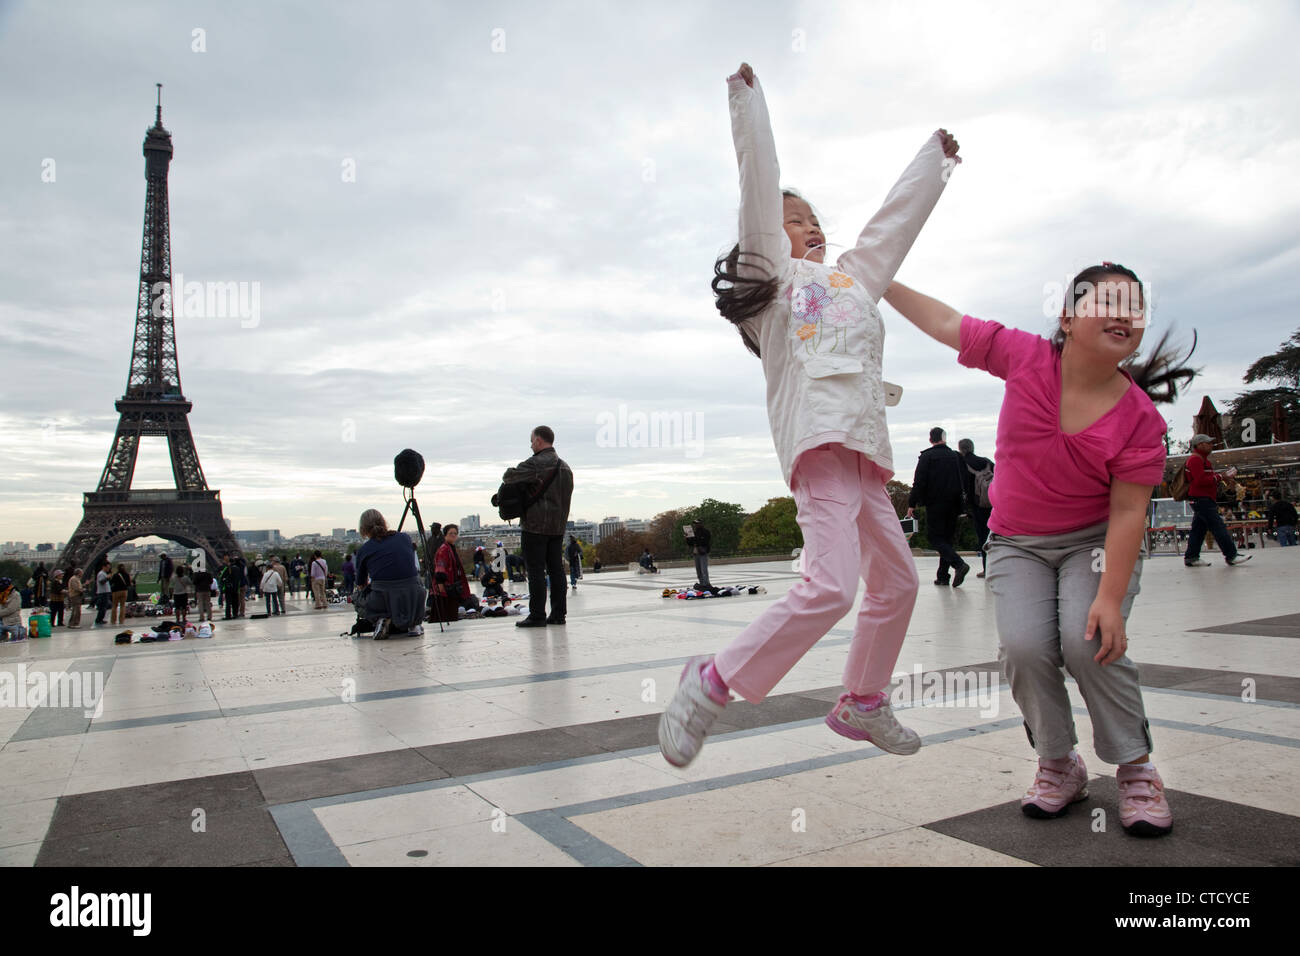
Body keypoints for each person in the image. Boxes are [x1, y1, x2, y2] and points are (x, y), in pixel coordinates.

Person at [659, 62, 960, 769]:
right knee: (831, 584)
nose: (810, 228)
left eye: (816, 220)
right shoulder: (774, 286)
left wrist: (935, 163)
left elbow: (892, 226)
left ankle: (861, 701)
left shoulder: (853, 281)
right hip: (819, 445)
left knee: (899, 581)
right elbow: (758, 186)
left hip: (862, 452)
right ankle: (712, 680)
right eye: (795, 222)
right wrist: (747, 100)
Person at [883, 260, 1197, 837]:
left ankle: (1136, 768)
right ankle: (1059, 762)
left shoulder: (1139, 419)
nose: (1125, 315)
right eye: (1109, 302)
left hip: (1093, 543)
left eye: (1135, 307)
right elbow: (946, 320)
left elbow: (1130, 512)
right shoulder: (1026, 358)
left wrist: (1109, 596)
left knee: (1090, 644)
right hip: (1017, 542)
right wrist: (880, 278)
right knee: (1025, 648)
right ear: (1068, 317)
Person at [503, 426, 575, 628]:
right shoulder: (566, 467)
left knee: (535, 570)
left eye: (532, 440)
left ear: (539, 441)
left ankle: (537, 615)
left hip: (535, 526)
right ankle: (559, 614)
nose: (531, 444)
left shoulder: (535, 463)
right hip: (557, 527)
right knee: (557, 570)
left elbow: (509, 477)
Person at [907, 428, 971, 587]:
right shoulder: (956, 456)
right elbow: (965, 480)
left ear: (931, 440)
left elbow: (919, 482)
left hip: (935, 503)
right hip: (955, 504)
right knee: (947, 539)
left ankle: (958, 564)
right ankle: (943, 576)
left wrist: (911, 504)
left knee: (935, 538)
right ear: (945, 438)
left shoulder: (927, 457)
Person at [354, 509, 426, 639]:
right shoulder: (404, 538)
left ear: (363, 528)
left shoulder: (365, 550)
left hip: (382, 598)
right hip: (413, 597)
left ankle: (380, 618)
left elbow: (360, 583)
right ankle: (414, 624)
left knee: (356, 597)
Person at [1183, 434, 1251, 567]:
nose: (1211, 445)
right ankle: (1231, 555)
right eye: (1208, 443)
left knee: (1199, 529)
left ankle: (1191, 557)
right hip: (1201, 499)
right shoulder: (1196, 460)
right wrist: (1221, 477)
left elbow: (1204, 479)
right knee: (1218, 526)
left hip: (1202, 499)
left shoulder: (1202, 460)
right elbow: (1200, 481)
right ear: (1200, 445)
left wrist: (1221, 477)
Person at [958, 438, 995, 579]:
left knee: (982, 537)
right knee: (994, 535)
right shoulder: (986, 462)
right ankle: (995, 567)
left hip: (977, 505)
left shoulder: (963, 464)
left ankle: (987, 569)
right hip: (992, 503)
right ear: (972, 448)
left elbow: (963, 487)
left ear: (961, 449)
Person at [433, 525, 480, 619]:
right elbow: (440, 567)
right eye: (451, 533)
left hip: (451, 585)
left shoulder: (450, 548)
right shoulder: (444, 549)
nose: (453, 535)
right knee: (446, 613)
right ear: (445, 535)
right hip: (446, 587)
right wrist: (440, 584)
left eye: (455, 533)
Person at [689, 521, 713, 590]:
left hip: (703, 552)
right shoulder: (694, 532)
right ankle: (702, 584)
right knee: (698, 570)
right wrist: (688, 537)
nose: (696, 525)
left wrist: (696, 539)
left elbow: (705, 541)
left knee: (703, 569)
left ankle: (706, 584)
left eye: (697, 523)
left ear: (701, 524)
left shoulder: (706, 532)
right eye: (695, 524)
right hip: (696, 552)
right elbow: (690, 543)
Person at [0, 578, 26, 642]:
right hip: (2, 622)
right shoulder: (1, 595)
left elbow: (10, 609)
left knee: (17, 639)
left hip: (13, 622)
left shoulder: (16, 595)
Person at [220, 554, 242, 621]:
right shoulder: (238, 569)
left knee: (228, 602)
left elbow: (221, 577)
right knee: (235, 602)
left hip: (228, 588)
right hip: (235, 588)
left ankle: (228, 615)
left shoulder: (227, 568)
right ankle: (235, 614)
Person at [94, 559, 112, 626]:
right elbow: (101, 582)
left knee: (104, 607)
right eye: (107, 567)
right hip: (103, 593)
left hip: (104, 592)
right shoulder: (101, 574)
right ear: (104, 567)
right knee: (102, 607)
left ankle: (100, 619)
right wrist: (107, 578)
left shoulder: (103, 573)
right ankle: (99, 620)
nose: (108, 569)